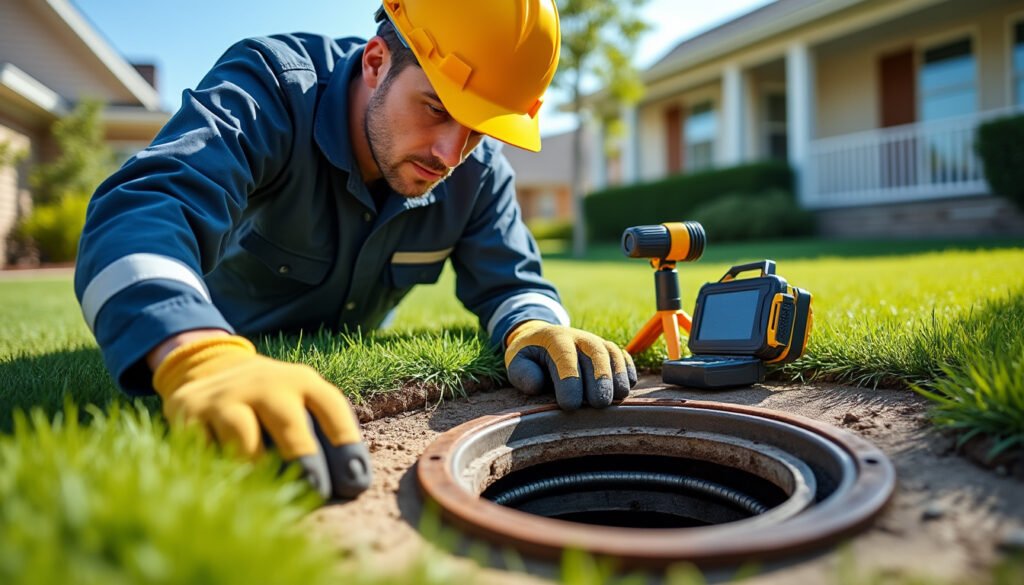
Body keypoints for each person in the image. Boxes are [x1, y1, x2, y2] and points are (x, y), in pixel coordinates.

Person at [74, 0, 637, 499]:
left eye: (477, 130)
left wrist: (535, 325)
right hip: (225, 340)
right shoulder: (271, 89)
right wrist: (197, 354)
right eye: (437, 108)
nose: (450, 154)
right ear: (375, 62)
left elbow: (512, 282)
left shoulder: (477, 170)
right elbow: (141, 212)